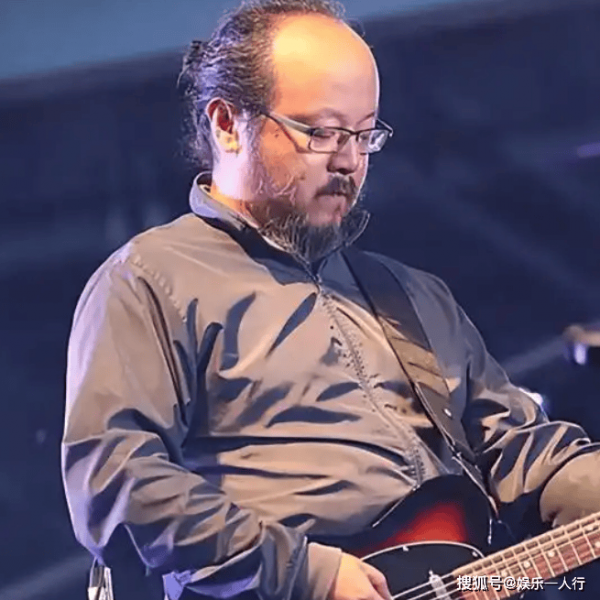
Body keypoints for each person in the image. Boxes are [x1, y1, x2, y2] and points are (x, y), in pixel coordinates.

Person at [61, 1, 600, 599]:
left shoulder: (414, 295)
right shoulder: (149, 282)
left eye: (364, 135)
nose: (349, 160)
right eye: (320, 132)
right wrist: (305, 572)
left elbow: (520, 450)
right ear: (226, 123)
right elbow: (117, 484)